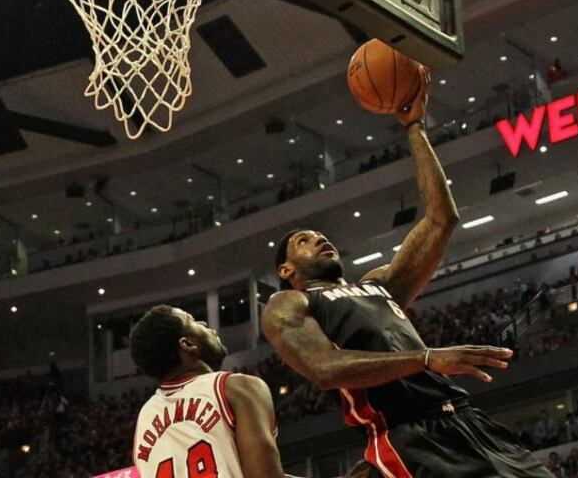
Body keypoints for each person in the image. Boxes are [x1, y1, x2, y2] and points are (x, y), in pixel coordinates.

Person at [263, 67, 554, 478]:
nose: (319, 239)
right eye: (305, 240)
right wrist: (428, 358)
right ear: (286, 269)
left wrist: (414, 126)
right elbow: (325, 369)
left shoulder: (378, 285)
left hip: (467, 420)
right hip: (409, 435)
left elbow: (441, 219)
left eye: (321, 235)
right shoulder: (289, 301)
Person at [128, 306, 369, 478]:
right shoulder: (235, 387)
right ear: (188, 344)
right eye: (193, 320)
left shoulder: (145, 419)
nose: (204, 324)